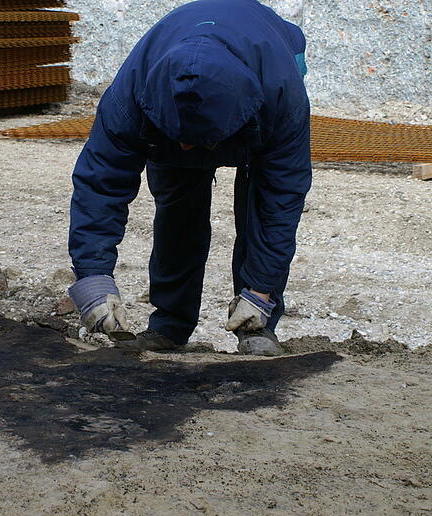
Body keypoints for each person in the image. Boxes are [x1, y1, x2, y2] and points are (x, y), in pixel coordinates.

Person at [66, 0, 311, 356]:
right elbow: (100, 184)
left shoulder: (281, 97)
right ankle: (169, 325)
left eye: (199, 143)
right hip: (167, 103)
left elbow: (281, 198)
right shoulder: (133, 95)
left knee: (257, 206)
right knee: (179, 207)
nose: (188, 149)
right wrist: (92, 277)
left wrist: (261, 290)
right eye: (181, 139)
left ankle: (257, 323)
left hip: (264, 68)